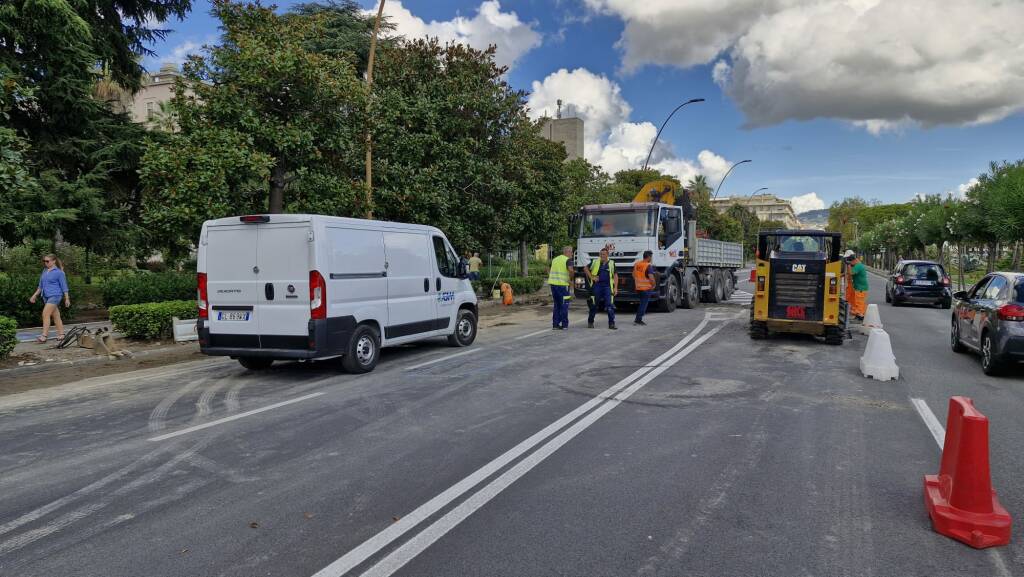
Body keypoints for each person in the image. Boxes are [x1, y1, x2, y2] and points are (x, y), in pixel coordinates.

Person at [28, 254, 70, 342]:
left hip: (55, 296)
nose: (45, 263)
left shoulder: (59, 272)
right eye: (44, 261)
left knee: (45, 314)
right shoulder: (44, 271)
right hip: (45, 296)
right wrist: (34, 295)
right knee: (56, 316)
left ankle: (44, 336)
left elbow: (64, 286)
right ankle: (62, 334)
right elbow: (40, 286)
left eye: (47, 261)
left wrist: (67, 298)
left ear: (54, 261)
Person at [585, 248, 618, 330]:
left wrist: (615, 288)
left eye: (604, 254)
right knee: (594, 305)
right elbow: (585, 268)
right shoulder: (595, 262)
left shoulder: (611, 263)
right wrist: (592, 277)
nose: (602, 256)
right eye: (601, 254)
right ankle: (590, 322)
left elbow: (615, 275)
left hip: (607, 287)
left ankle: (611, 324)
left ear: (607, 255)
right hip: (597, 286)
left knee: (610, 305)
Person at [548, 246, 574, 330]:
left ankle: (555, 325)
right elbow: (570, 270)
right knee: (564, 305)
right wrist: (571, 278)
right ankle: (564, 324)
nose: (572, 254)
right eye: (571, 252)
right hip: (563, 286)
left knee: (557, 305)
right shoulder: (568, 260)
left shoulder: (555, 259)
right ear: (568, 252)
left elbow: (548, 269)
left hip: (553, 285)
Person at [633, 251, 657, 326]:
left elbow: (633, 274)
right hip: (646, 288)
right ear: (649, 257)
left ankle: (638, 318)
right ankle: (638, 319)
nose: (651, 258)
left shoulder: (637, 264)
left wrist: (637, 281)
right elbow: (651, 278)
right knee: (643, 305)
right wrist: (654, 285)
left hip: (638, 287)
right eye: (651, 257)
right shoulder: (648, 265)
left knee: (641, 304)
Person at [844, 249, 868, 321]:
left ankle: (861, 317)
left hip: (861, 288)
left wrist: (848, 265)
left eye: (848, 260)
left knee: (859, 303)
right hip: (858, 288)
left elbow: (851, 273)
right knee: (856, 303)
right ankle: (858, 316)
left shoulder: (858, 266)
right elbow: (848, 274)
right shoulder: (856, 265)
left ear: (851, 259)